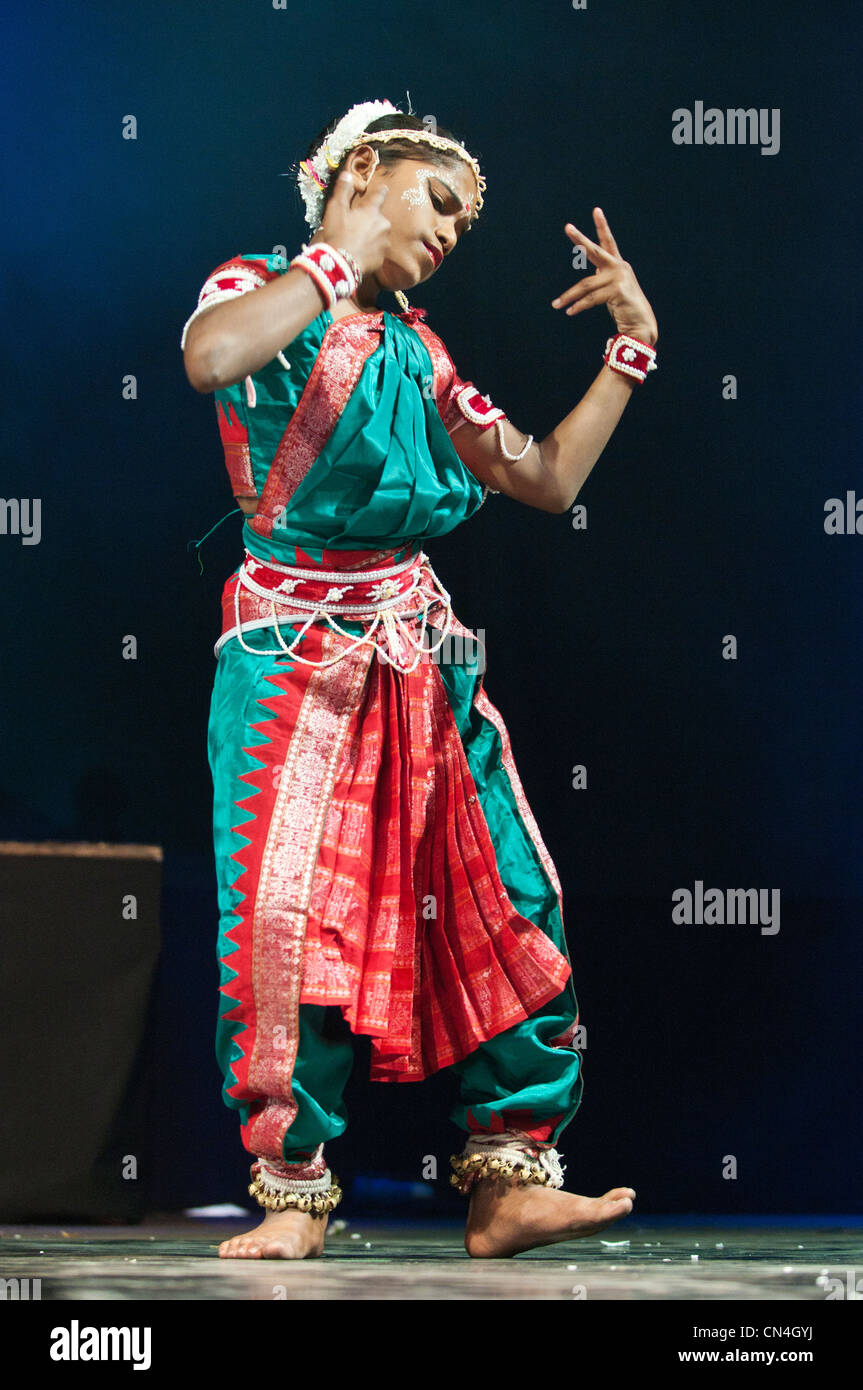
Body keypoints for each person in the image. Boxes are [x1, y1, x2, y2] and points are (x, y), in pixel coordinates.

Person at [181, 98, 658, 1260]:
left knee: (505, 893)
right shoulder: (260, 289)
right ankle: (291, 1191)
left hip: (418, 656)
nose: (450, 229)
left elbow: (541, 478)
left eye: (463, 219)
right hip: (293, 659)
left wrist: (629, 353)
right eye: (436, 200)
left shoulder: (420, 349)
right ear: (361, 170)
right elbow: (209, 358)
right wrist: (331, 261)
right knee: (290, 917)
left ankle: (508, 1179)